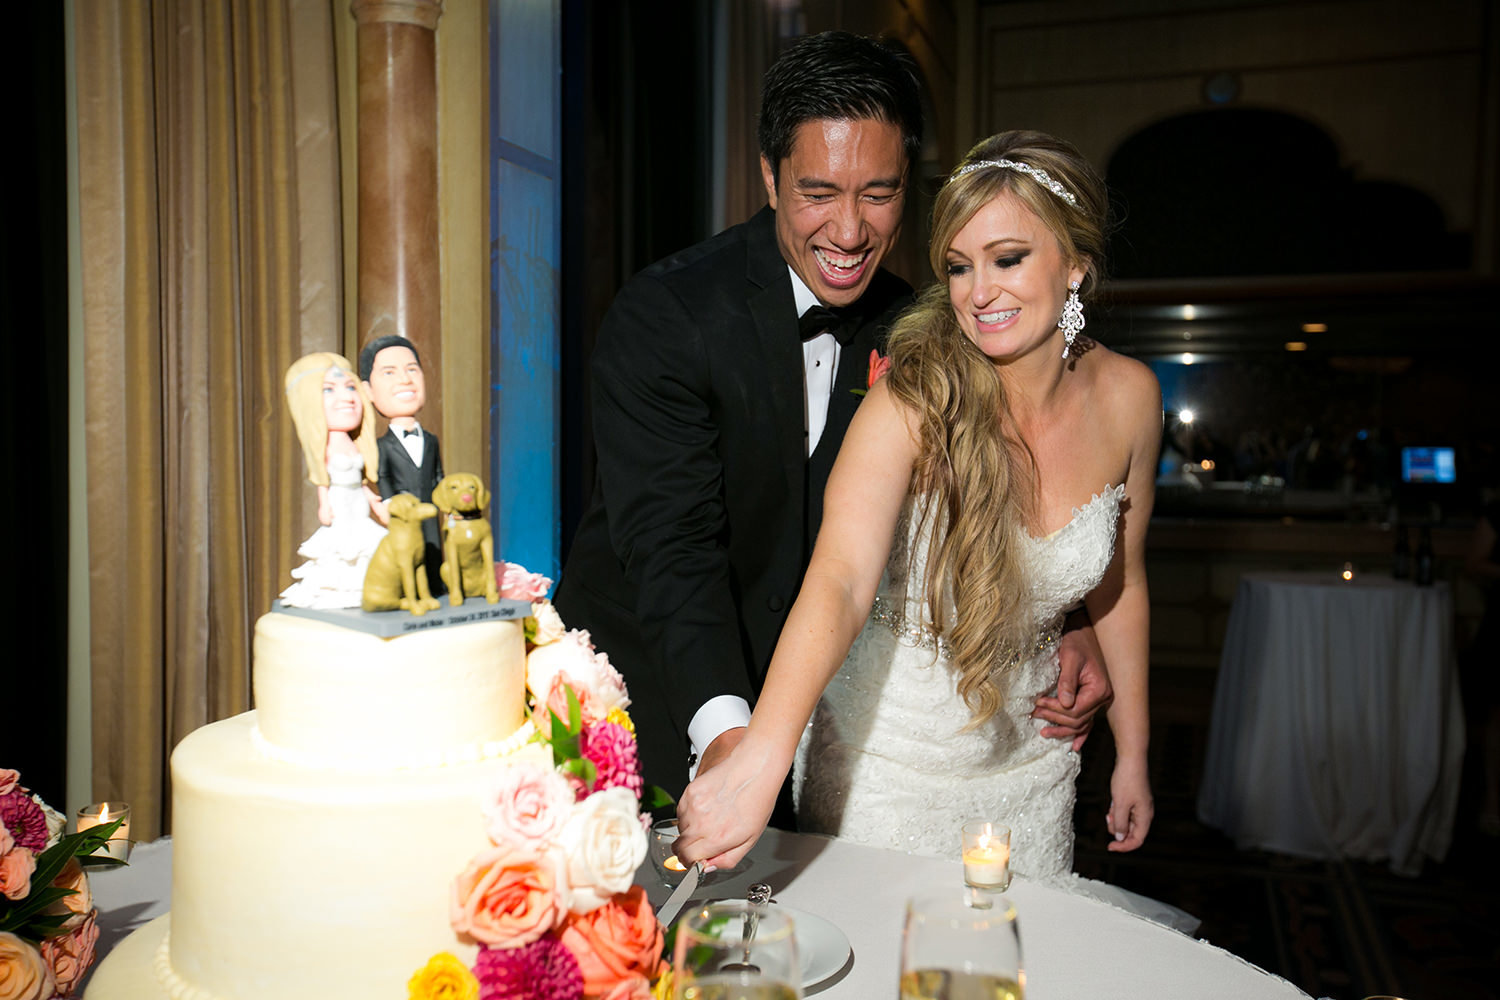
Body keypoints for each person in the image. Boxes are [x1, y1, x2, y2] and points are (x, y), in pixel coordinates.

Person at [552, 33, 1112, 804]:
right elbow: (673, 550)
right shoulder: (667, 314)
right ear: (770, 179)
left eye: (878, 194)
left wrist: (1067, 615)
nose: (849, 233)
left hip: (832, 719)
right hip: (650, 699)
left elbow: (1016, 468)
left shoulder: (924, 326)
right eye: (819, 192)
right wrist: (727, 736)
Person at [676, 130, 1161, 883]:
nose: (979, 292)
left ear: (1075, 265)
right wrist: (760, 761)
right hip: (884, 763)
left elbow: (1119, 586)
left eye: (1009, 259)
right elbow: (838, 577)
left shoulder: (1132, 398)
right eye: (959, 267)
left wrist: (1133, 752)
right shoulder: (913, 398)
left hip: (1032, 766)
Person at [280, 352, 387, 609]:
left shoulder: (356, 444)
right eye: (329, 389)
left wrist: (374, 500)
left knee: (364, 543)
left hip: (358, 501)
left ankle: (366, 587)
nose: (347, 397)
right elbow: (322, 481)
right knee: (342, 545)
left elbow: (361, 481)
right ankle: (341, 589)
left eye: (350, 387)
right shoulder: (324, 448)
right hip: (339, 500)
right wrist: (324, 504)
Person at [359, 335, 445, 594]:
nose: (405, 380)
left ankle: (435, 585)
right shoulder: (382, 446)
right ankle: (409, 592)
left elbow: (438, 474)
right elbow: (383, 476)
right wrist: (388, 504)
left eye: (411, 369)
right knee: (405, 554)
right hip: (401, 516)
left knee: (433, 545)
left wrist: (447, 503)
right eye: (389, 372)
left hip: (430, 509)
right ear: (368, 390)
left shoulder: (430, 439)